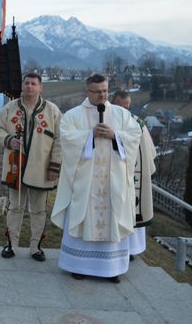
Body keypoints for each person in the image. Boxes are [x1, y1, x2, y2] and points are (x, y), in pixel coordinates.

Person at [51, 74, 141, 283]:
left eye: (105, 91)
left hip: (113, 181)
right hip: (86, 181)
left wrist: (115, 136)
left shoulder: (120, 114)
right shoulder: (73, 115)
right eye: (97, 91)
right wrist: (89, 134)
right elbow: (67, 138)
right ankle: (78, 265)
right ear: (87, 92)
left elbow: (134, 136)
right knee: (83, 217)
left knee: (112, 216)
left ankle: (110, 269)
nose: (102, 95)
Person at [0, 73, 62, 261]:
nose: (29, 87)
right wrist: (8, 140)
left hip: (41, 169)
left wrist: (55, 166)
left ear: (40, 87)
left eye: (34, 84)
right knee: (14, 208)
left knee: (39, 210)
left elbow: (59, 139)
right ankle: (11, 245)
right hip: (16, 167)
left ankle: (35, 247)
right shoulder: (10, 108)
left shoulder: (52, 111)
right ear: (22, 86)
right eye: (27, 83)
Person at [111, 90, 156, 259]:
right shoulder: (106, 123)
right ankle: (115, 248)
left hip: (134, 176)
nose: (123, 109)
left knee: (135, 209)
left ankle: (132, 249)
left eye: (126, 106)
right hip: (112, 174)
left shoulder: (138, 123)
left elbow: (149, 152)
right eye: (119, 106)